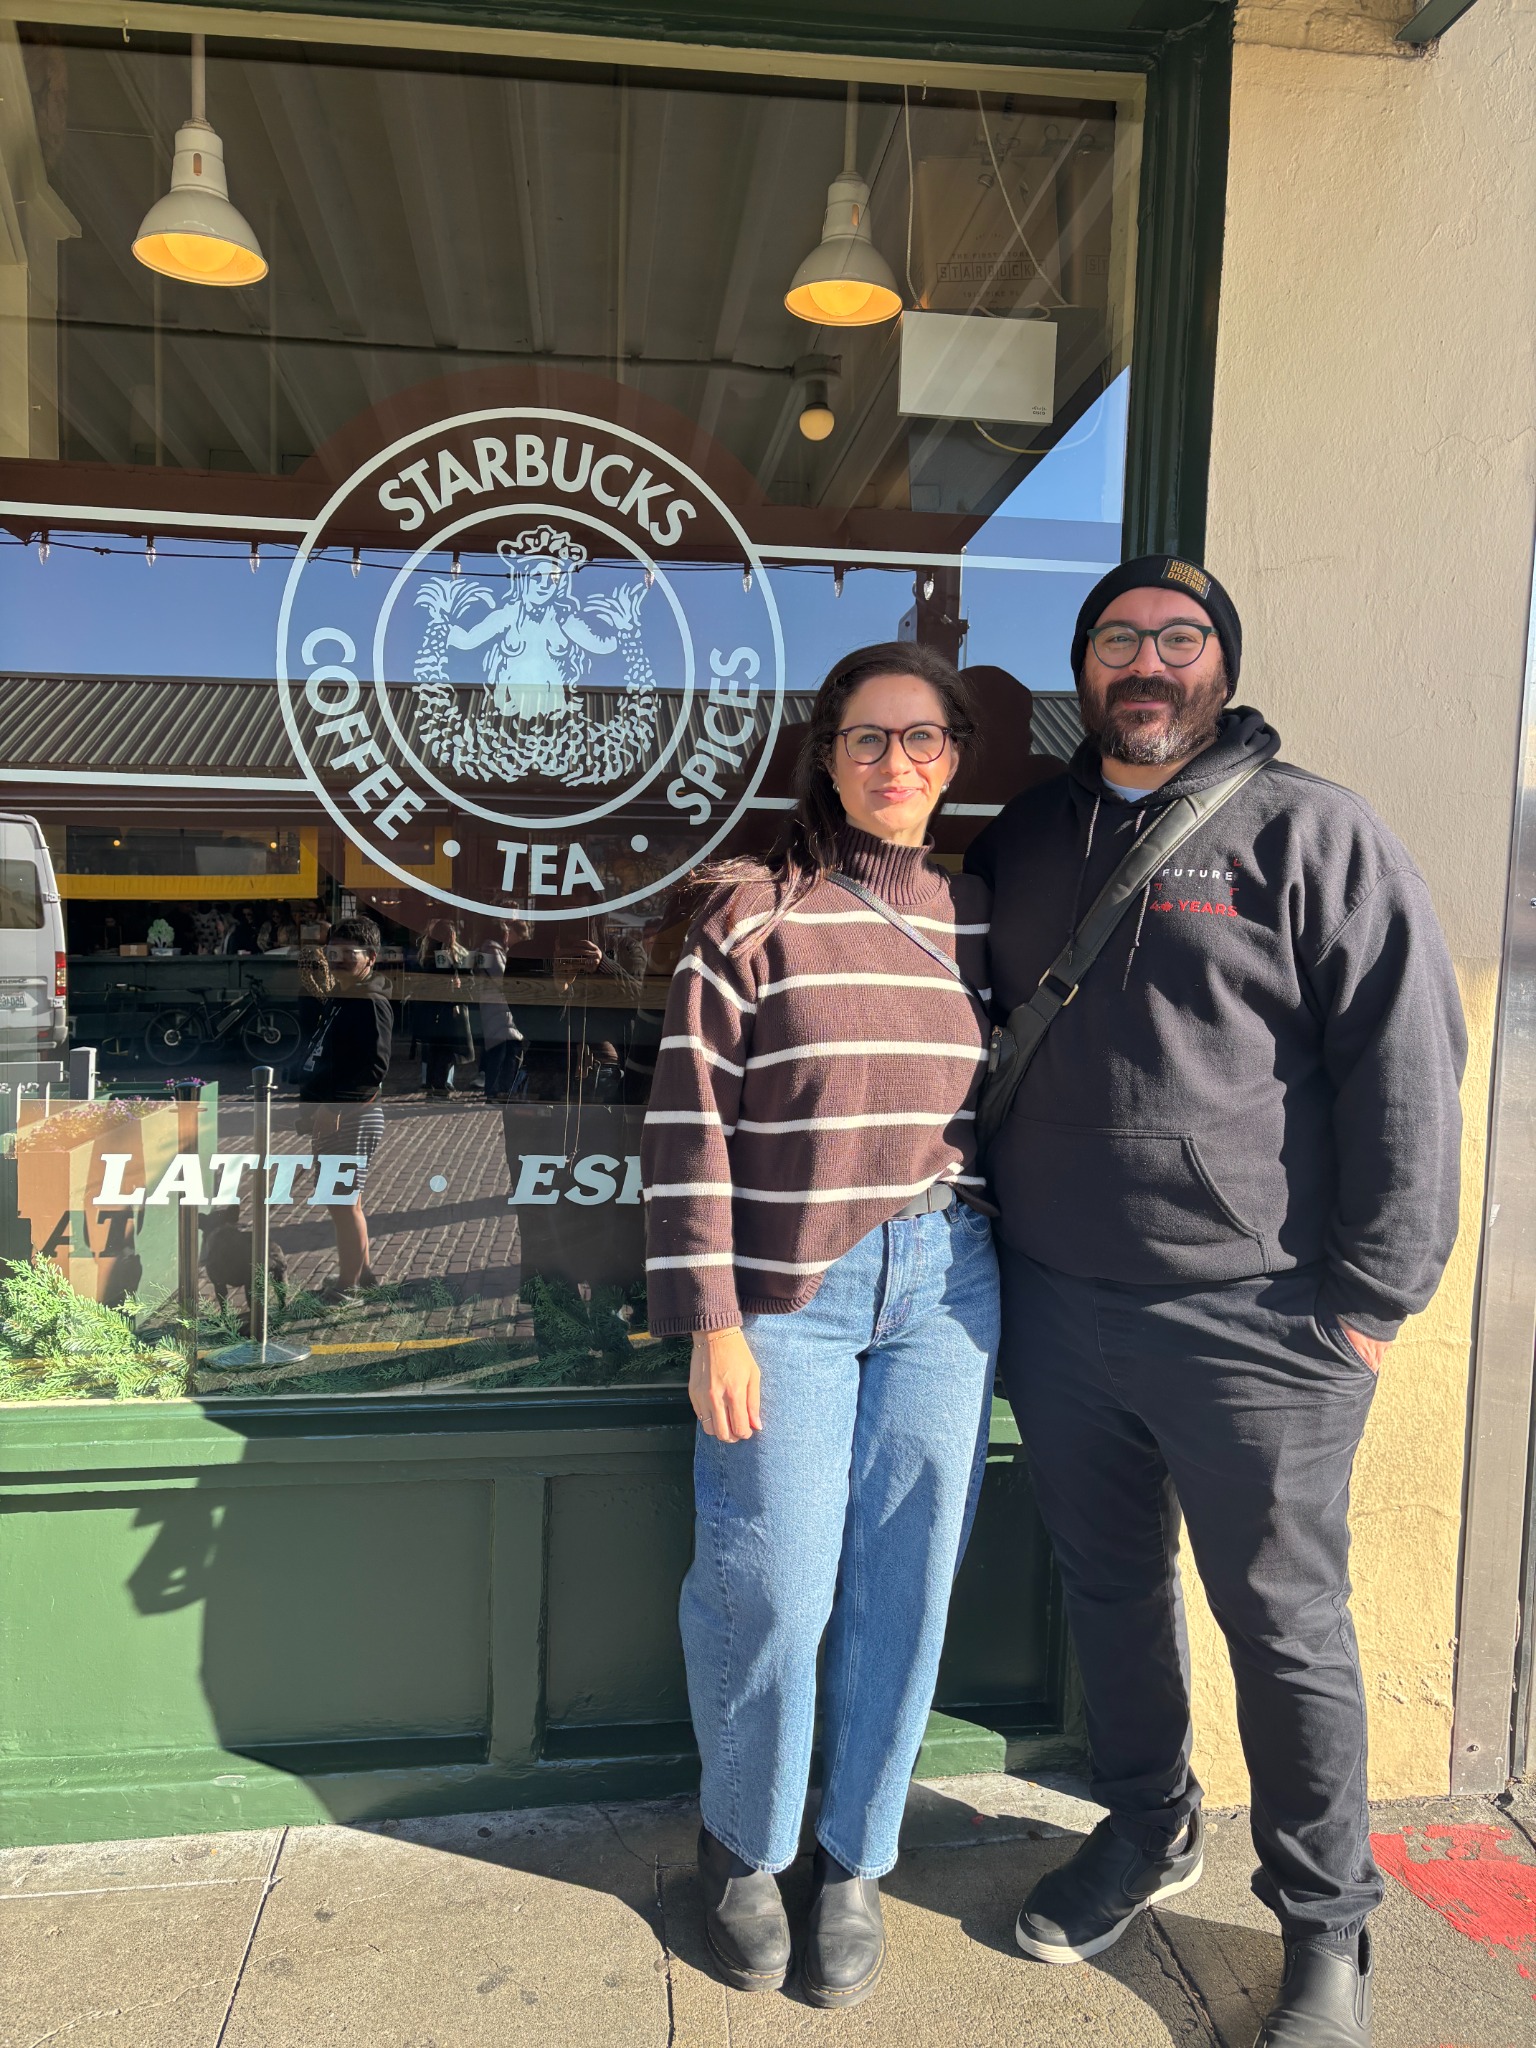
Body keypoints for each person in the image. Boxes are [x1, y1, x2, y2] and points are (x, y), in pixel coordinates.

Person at [965, 558, 1466, 2048]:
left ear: (1219, 668)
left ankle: (1326, 1927)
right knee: (1110, 1592)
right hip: (1061, 1306)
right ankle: (1147, 1824)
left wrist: (1372, 1302)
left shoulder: (1312, 831)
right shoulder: (1030, 837)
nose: (1148, 661)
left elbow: (1409, 1071)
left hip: (1263, 1323)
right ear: (1084, 667)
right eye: (1119, 637)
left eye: (1179, 640)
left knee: (1285, 1626)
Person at [642, 643, 998, 2011]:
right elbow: (690, 1123)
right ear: (828, 755)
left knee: (906, 1592)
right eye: (866, 739)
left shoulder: (980, 921)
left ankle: (854, 1859)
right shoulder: (754, 910)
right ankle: (744, 1842)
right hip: (790, 1292)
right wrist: (711, 1317)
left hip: (952, 1283)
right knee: (772, 1588)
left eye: (919, 740)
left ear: (953, 757)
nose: (893, 763)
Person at [296, 916, 393, 1302]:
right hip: (333, 1114)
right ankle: (363, 1273)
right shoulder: (344, 994)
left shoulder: (370, 1000)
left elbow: (375, 1065)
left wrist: (337, 1106)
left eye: (346, 954)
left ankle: (347, 1288)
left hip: (351, 1116)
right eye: (330, 952)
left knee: (341, 1202)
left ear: (370, 957)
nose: (335, 960)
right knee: (346, 1200)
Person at [413, 917, 471, 1097]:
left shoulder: (427, 954)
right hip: (446, 1008)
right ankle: (440, 1086)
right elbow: (453, 982)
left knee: (433, 1050)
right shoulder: (445, 956)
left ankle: (433, 1084)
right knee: (445, 1050)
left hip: (430, 1009)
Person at [476, 920, 526, 1101]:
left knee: (503, 1050)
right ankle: (496, 1089)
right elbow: (503, 978)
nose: (507, 936)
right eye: (506, 932)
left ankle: (500, 1089)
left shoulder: (488, 950)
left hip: (495, 1007)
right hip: (499, 1008)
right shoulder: (493, 951)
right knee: (501, 1051)